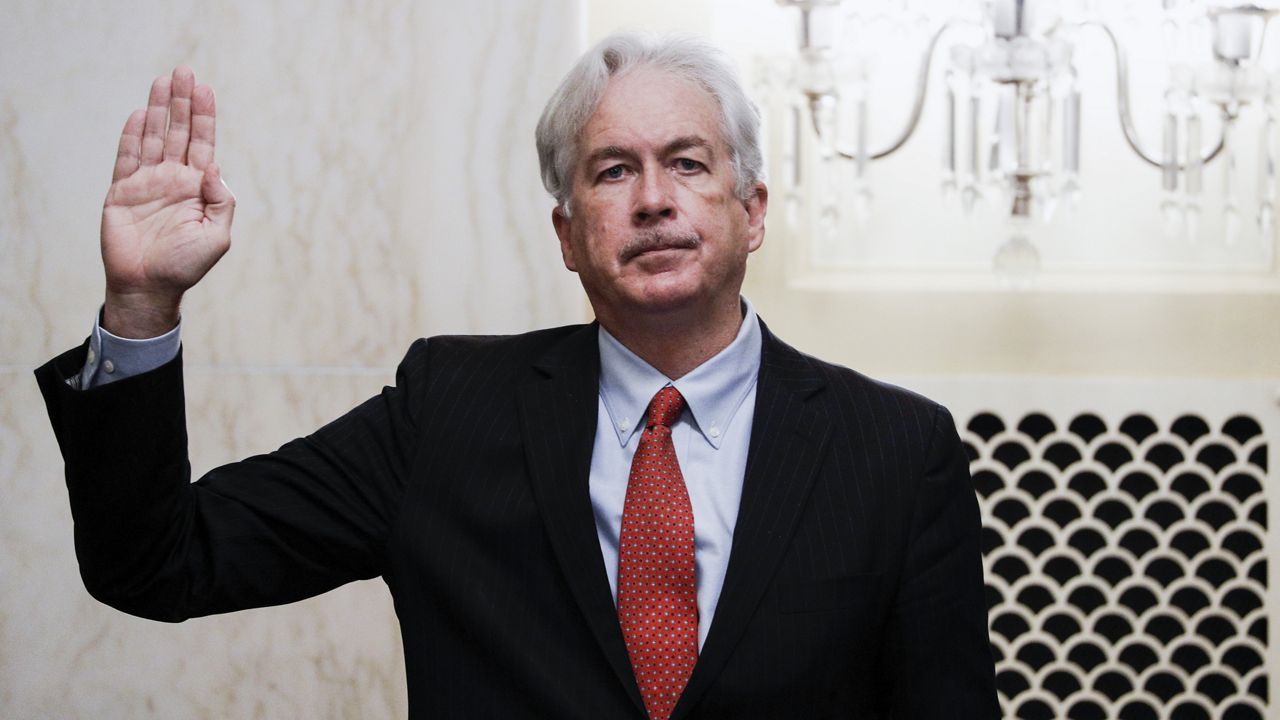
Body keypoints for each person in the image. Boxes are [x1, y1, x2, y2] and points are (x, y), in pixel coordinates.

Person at [36, 32, 999, 719]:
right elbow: (156, 564)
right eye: (613, 170)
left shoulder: (897, 449)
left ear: (751, 210)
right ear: (567, 235)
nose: (655, 199)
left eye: (688, 164)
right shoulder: (445, 413)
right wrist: (140, 307)